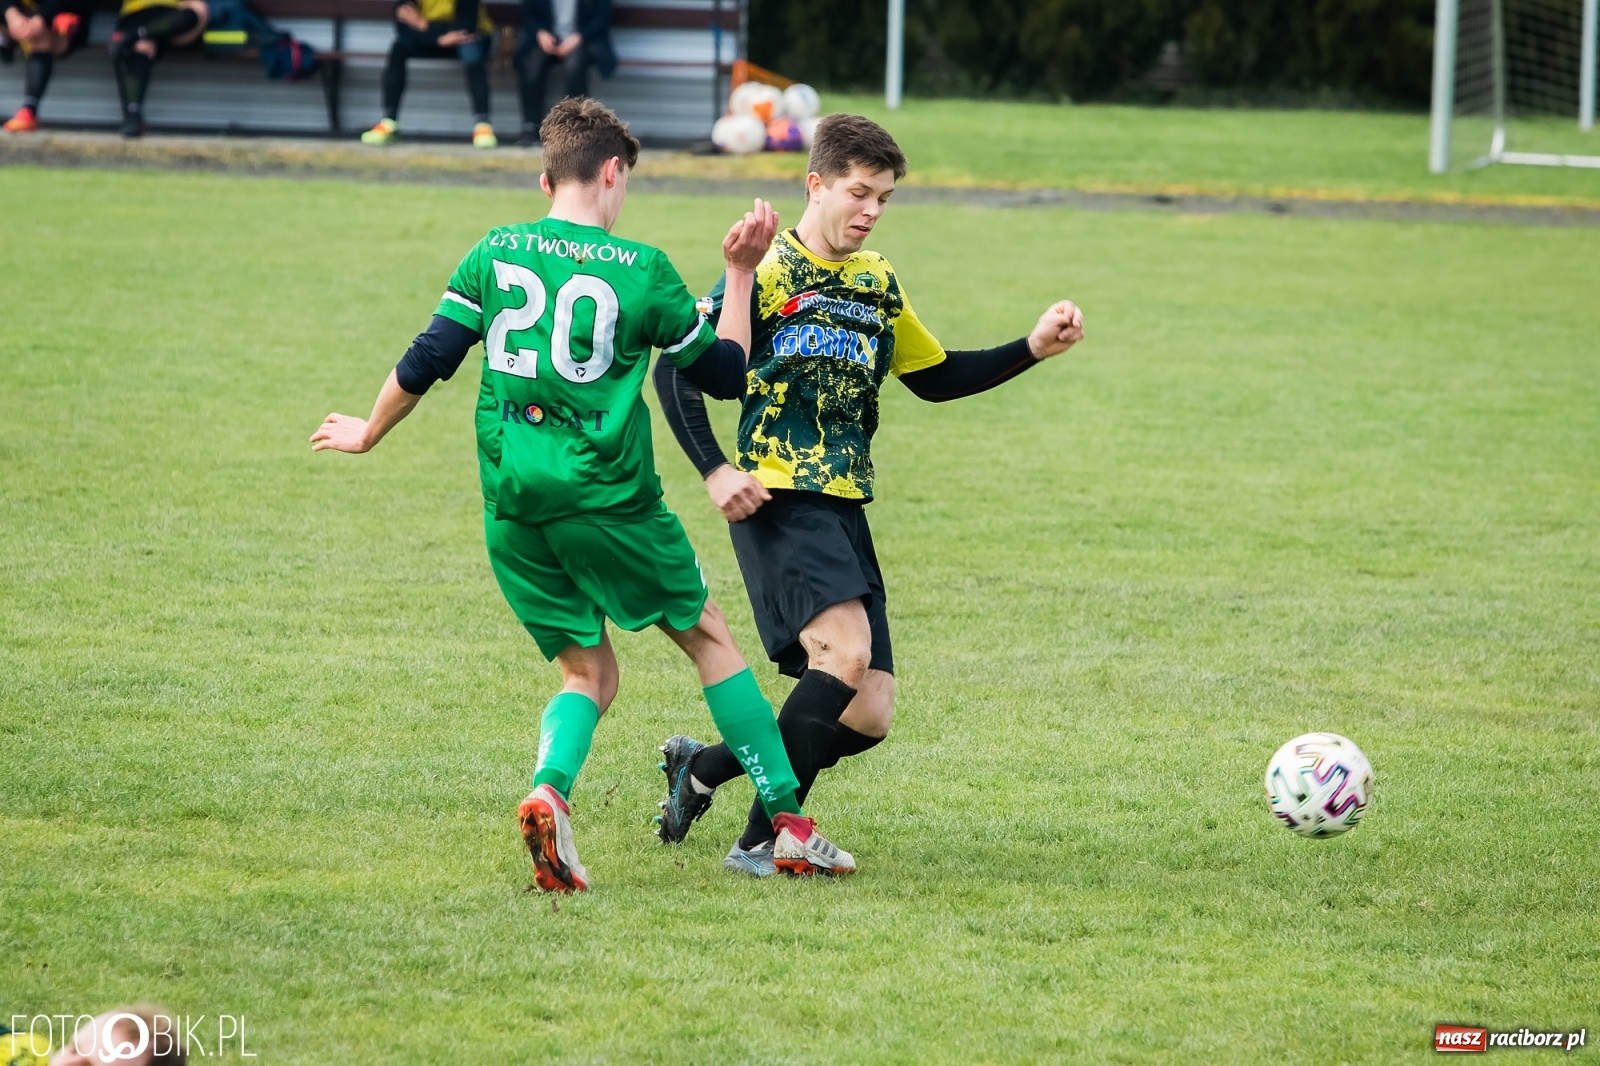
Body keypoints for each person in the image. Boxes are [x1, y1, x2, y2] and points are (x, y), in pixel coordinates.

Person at [313, 97, 856, 891]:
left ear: (546, 181)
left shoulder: (495, 251)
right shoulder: (642, 270)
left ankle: (549, 793)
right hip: (609, 501)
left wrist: (368, 430)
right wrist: (741, 272)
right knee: (709, 638)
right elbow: (726, 375)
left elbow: (429, 357)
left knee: (589, 674)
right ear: (612, 172)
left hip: (513, 505)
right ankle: (790, 827)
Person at [652, 113, 1085, 876]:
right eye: (859, 192)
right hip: (778, 495)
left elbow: (936, 377)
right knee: (844, 654)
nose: (872, 210)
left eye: (884, 197)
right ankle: (761, 842)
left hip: (846, 503)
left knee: (868, 712)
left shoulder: (876, 280)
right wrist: (716, 469)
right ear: (815, 184)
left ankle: (704, 766)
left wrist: (1031, 348)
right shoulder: (766, 270)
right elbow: (678, 371)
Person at [361, 0, 499, 149]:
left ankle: (483, 125)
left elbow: (466, 26)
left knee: (472, 53)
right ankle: (389, 122)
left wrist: (423, 25)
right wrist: (435, 37)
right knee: (399, 48)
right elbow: (403, 24)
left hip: (463, 38)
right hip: (432, 38)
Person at [512, 0, 615, 148]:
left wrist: (579, 37)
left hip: (583, 42)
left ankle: (577, 128)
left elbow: (601, 18)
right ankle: (530, 127)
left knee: (574, 67)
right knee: (531, 65)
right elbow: (527, 14)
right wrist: (540, 33)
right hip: (545, 41)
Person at [108, 0, 209, 138]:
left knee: (194, 12)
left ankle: (130, 35)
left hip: (168, 21)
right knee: (142, 46)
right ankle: (132, 116)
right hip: (135, 14)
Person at [0, 0, 88, 132]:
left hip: (61, 18)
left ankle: (29, 110)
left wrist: (41, 18)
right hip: (17, 19)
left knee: (39, 37)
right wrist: (12, 14)